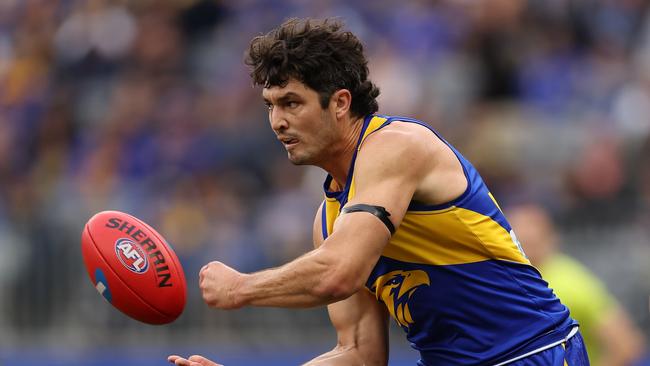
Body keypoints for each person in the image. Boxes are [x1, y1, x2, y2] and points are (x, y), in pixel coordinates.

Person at [168, 18, 589, 366]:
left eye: (292, 103)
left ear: (340, 103)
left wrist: (242, 289)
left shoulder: (395, 147)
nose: (277, 121)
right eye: (270, 105)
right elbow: (359, 354)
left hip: (532, 352)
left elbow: (338, 272)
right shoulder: (329, 220)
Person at [507, 203, 647, 366]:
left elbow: (626, 345)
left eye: (531, 239)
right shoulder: (506, 280)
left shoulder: (571, 281)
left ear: (551, 239)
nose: (525, 238)